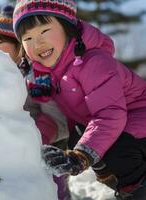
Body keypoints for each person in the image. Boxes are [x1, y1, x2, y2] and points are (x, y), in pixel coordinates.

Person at [13, 0, 146, 199]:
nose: (37, 43)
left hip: (137, 116)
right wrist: (30, 141)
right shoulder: (43, 75)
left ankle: (137, 190)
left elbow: (110, 116)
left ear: (68, 28)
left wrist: (82, 156)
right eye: (28, 37)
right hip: (108, 123)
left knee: (114, 149)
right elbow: (53, 118)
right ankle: (118, 179)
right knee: (79, 136)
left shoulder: (94, 62)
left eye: (44, 31)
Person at [0, 5, 71, 200]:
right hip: (12, 144)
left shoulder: (36, 75)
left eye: (0, 43)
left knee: (50, 185)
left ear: (19, 45)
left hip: (48, 142)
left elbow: (54, 117)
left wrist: (35, 138)